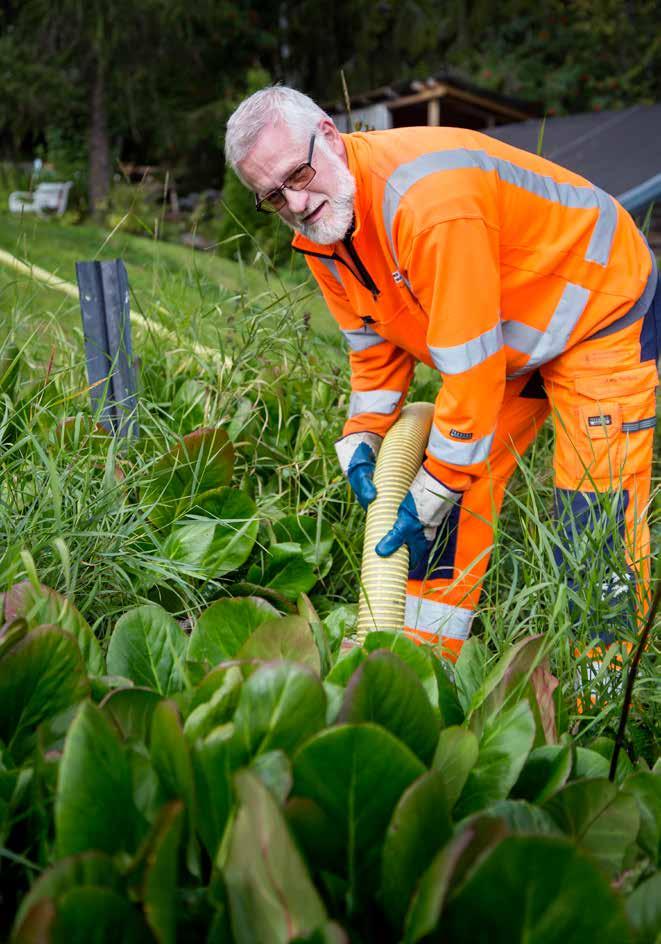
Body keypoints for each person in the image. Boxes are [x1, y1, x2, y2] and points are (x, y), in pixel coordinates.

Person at [225, 85, 659, 663]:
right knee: (448, 502)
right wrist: (364, 433)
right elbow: (374, 346)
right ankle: (423, 664)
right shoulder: (324, 230)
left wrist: (438, 479)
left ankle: (601, 706)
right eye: (273, 197)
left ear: (329, 134)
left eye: (298, 176)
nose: (296, 205)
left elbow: (473, 369)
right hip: (508, 330)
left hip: (595, 305)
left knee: (591, 517)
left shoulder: (427, 204)